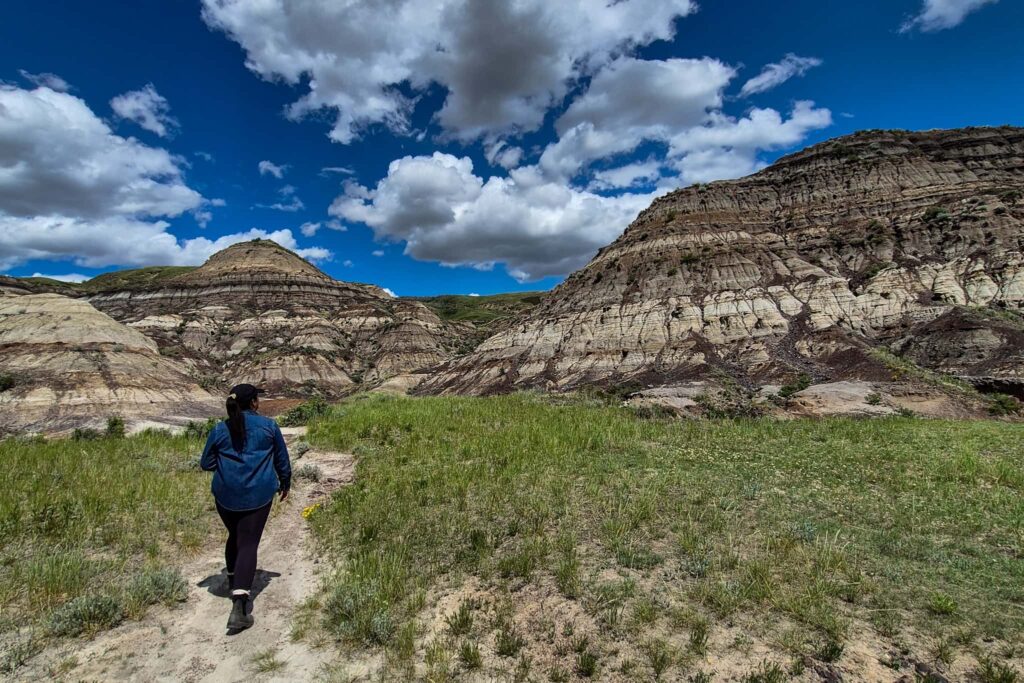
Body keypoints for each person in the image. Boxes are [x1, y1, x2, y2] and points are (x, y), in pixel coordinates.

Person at [200, 383, 291, 631]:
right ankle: (239, 606)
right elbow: (282, 459)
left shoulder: (220, 429)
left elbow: (206, 463)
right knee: (249, 542)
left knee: (235, 535)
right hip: (258, 494)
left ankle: (232, 579)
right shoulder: (269, 426)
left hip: (225, 495)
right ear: (253, 403)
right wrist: (285, 482)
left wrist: (228, 465)